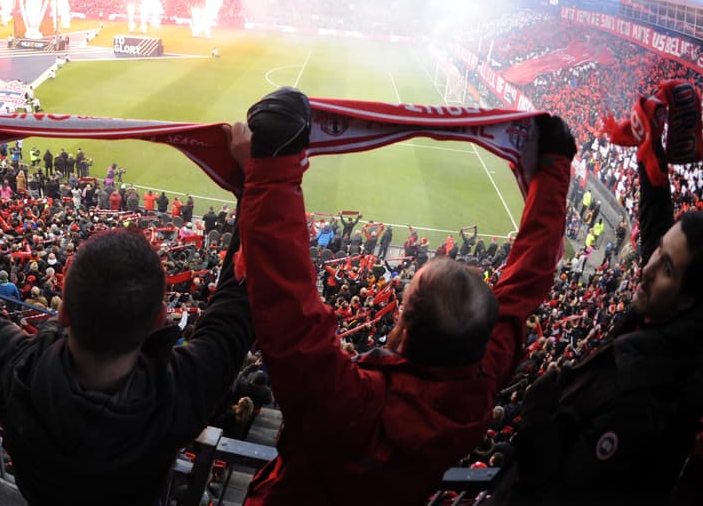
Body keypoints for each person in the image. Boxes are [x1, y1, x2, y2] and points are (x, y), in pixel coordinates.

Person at [233, 87, 573, 505]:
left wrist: (272, 167)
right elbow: (528, 281)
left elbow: (289, 315)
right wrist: (554, 170)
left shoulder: (351, 402)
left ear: (404, 327)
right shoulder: (477, 387)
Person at [0, 109, 253, 505]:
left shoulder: (14, 370)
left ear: (62, 313)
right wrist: (256, 184)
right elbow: (239, 301)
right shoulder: (181, 391)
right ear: (159, 320)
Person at [499, 84, 703, 505]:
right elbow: (657, 237)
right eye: (658, 254)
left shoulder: (646, 402)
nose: (644, 270)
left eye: (665, 267)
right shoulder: (665, 331)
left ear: (690, 300)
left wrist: (538, 418)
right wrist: (652, 159)